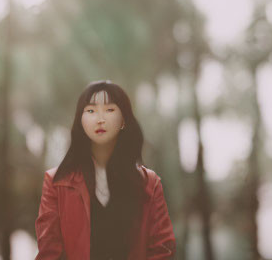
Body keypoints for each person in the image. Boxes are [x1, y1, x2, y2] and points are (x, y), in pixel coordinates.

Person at [35, 80, 175, 260]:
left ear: (124, 119)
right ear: (80, 121)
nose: (100, 119)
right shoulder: (57, 182)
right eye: (91, 111)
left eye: (109, 110)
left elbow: (162, 251)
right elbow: (49, 252)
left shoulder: (149, 184)